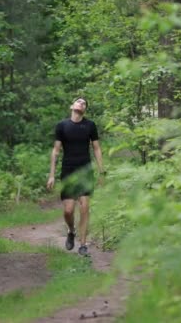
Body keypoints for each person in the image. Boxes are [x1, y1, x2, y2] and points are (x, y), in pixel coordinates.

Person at [46, 97, 105, 256]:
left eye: (84, 103)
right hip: (68, 171)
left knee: (85, 208)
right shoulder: (62, 126)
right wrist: (51, 175)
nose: (82, 103)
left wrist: (101, 171)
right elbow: (56, 151)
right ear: (72, 106)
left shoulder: (90, 125)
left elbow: (97, 148)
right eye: (79, 101)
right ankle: (71, 231)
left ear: (85, 109)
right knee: (68, 211)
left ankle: (83, 244)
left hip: (85, 171)